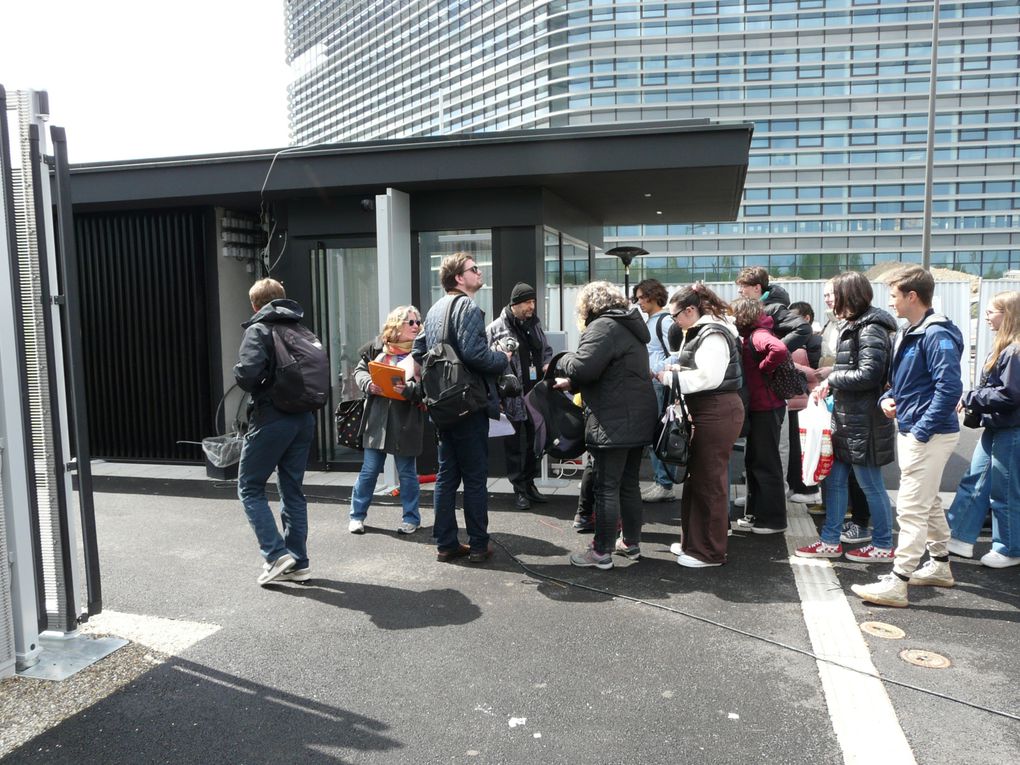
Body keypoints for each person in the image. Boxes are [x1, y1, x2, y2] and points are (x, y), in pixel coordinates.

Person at [852, 266, 963, 608]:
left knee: (912, 508)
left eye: (895, 295)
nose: (891, 302)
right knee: (926, 502)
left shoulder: (934, 334)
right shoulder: (913, 331)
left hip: (926, 433)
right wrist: (889, 398)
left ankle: (898, 581)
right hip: (918, 429)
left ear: (912, 296)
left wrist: (922, 429)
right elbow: (905, 383)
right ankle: (940, 566)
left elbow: (950, 389)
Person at [412, 253, 509, 564]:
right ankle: (479, 544)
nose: (479, 273)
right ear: (459, 278)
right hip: (468, 402)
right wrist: (502, 358)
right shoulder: (466, 305)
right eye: (474, 269)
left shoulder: (434, 309)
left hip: (443, 404)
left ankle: (446, 544)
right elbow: (475, 354)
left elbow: (418, 350)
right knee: (475, 476)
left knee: (446, 475)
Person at [553, 281, 658, 569]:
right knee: (629, 484)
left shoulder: (602, 327)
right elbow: (612, 371)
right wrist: (573, 382)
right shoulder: (628, 326)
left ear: (589, 306)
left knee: (606, 487)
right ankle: (630, 543)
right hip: (637, 416)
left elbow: (584, 367)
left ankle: (600, 552)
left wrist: (562, 361)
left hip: (612, 419)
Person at [794, 272, 897, 562]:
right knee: (833, 480)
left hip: (864, 422)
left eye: (833, 294)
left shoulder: (871, 327)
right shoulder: (857, 324)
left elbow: (870, 374)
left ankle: (883, 545)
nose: (829, 299)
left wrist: (834, 378)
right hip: (847, 418)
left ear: (847, 295)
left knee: (870, 484)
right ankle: (830, 540)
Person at [234, 278, 317, 586]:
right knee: (292, 490)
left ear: (256, 305)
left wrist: (238, 371)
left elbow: (249, 374)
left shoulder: (258, 329)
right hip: (303, 419)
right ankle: (300, 563)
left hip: (272, 419)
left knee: (250, 487)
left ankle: (276, 554)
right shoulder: (301, 330)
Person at [658, 283, 744, 567]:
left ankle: (708, 552)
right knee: (698, 480)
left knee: (709, 482)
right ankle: (693, 543)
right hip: (710, 410)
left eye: (675, 316)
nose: (675, 322)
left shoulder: (713, 333)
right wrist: (679, 371)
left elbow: (710, 377)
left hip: (715, 410)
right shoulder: (709, 330)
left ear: (691, 310)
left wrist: (672, 378)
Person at [946, 290, 1020, 569]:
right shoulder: (1008, 348)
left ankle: (1010, 548)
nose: (986, 316)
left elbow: (1011, 395)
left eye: (991, 311)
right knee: (975, 480)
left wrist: (971, 397)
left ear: (1008, 314)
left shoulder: (1013, 350)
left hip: (1009, 429)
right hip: (1000, 427)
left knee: (1003, 490)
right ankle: (959, 538)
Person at [735, 267, 811, 505]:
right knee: (760, 446)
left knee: (777, 445)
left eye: (744, 287)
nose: (739, 291)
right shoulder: (762, 310)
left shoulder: (774, 310)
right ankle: (755, 496)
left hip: (771, 389)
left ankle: (775, 497)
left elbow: (803, 329)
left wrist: (773, 356)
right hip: (762, 389)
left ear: (757, 288)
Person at [348, 305, 425, 536]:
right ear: (396, 326)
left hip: (405, 420)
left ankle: (411, 519)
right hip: (378, 419)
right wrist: (367, 384)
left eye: (418, 322)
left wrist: (408, 389)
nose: (416, 326)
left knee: (407, 473)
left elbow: (428, 386)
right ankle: (356, 516)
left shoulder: (422, 352)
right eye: (410, 322)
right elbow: (360, 371)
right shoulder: (376, 348)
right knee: (370, 470)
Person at [486, 282, 554, 510]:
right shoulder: (496, 328)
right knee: (514, 444)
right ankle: (519, 489)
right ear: (515, 304)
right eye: (527, 302)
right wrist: (496, 395)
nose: (531, 306)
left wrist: (546, 364)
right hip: (511, 396)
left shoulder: (534, 325)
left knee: (536, 441)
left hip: (535, 394)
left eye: (533, 302)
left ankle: (530, 482)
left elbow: (545, 349)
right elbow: (487, 363)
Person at [731, 297, 791, 534]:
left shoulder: (757, 334)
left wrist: (763, 368)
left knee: (766, 463)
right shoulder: (756, 332)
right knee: (756, 461)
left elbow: (779, 349)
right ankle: (757, 513)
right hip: (763, 406)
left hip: (766, 407)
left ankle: (773, 520)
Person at [632, 279, 677, 503]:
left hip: (658, 383)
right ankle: (662, 481)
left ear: (653, 296)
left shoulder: (665, 321)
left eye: (642, 297)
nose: (638, 301)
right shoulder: (654, 321)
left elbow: (676, 354)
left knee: (658, 432)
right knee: (655, 433)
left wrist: (654, 370)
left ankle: (664, 482)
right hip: (653, 383)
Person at [786, 301, 824, 505]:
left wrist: (794, 366)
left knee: (806, 448)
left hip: (807, 401)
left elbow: (819, 372)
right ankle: (795, 484)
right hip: (793, 401)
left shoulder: (814, 341)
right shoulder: (797, 338)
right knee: (793, 448)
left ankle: (809, 488)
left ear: (807, 318)